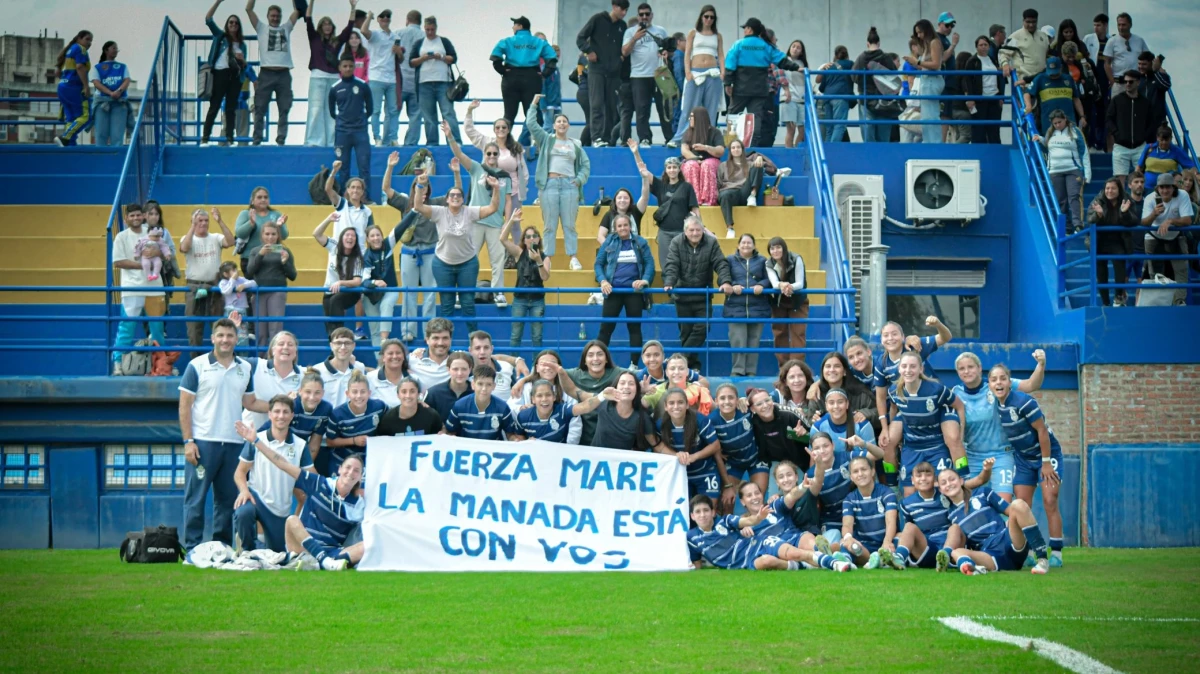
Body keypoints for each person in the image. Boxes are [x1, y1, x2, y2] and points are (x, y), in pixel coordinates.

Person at [233, 419, 365, 570]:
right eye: (348, 467)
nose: (351, 473)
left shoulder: (360, 504)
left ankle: (319, 563)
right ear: (340, 469)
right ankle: (323, 562)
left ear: (361, 476)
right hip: (302, 548)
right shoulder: (319, 483)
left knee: (366, 546)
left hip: (332, 552)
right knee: (292, 520)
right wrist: (256, 441)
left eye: (356, 470)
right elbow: (283, 463)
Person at [178, 318, 263, 550]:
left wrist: (281, 405)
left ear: (236, 339)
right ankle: (193, 549)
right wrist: (188, 441)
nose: (225, 340)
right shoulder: (197, 365)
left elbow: (250, 402)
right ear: (213, 338)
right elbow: (184, 406)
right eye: (221, 335)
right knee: (195, 499)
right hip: (203, 443)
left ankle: (221, 548)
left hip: (234, 444)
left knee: (226, 501)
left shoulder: (245, 368)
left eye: (230, 335)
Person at [411, 172, 501, 333]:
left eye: (458, 195)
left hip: (467, 264)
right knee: (447, 306)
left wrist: (495, 188)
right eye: (452, 195)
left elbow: (493, 208)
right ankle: (445, 341)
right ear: (447, 199)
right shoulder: (439, 211)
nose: (455, 197)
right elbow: (418, 206)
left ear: (463, 199)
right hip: (442, 264)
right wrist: (420, 185)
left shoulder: (469, 211)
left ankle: (474, 339)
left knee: (468, 305)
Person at [952, 350, 1045, 500]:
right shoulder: (955, 393)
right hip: (972, 457)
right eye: (961, 368)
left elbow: (1030, 385)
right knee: (969, 503)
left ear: (979, 368)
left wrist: (1041, 364)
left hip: (1001, 455)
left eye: (970, 367)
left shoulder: (995, 383)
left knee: (1003, 503)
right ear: (957, 372)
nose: (966, 371)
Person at [383, 154, 454, 342]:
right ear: (414, 188)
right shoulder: (405, 203)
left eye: (425, 186)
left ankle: (429, 332)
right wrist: (390, 167)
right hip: (409, 252)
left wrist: (456, 173)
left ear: (429, 190)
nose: (422, 189)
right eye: (418, 185)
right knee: (408, 293)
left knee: (430, 294)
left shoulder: (435, 204)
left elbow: (456, 194)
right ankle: (408, 330)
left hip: (430, 252)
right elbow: (386, 189)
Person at [444, 120, 514, 306]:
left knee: (497, 260)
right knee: (468, 259)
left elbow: (508, 201)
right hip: (475, 221)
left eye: (494, 154)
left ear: (498, 155)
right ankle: (463, 293)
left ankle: (498, 293)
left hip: (496, 223)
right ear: (484, 154)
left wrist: (507, 224)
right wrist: (450, 136)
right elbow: (458, 153)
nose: (491, 156)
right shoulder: (476, 168)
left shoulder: (505, 176)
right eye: (488, 153)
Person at [233, 394, 313, 552]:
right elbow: (239, 472)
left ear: (292, 415)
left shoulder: (300, 445)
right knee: (243, 512)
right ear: (269, 414)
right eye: (276, 411)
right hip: (257, 499)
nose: (281, 416)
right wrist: (244, 490)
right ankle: (247, 551)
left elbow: (312, 477)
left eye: (285, 412)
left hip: (281, 510)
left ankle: (264, 545)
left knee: (278, 554)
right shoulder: (256, 439)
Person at [938, 466, 1052, 575]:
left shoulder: (983, 492)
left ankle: (1042, 559)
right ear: (940, 490)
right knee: (956, 551)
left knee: (1018, 504)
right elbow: (965, 544)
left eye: (952, 479)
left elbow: (1012, 511)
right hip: (989, 555)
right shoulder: (951, 515)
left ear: (961, 481)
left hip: (1009, 541)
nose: (949, 484)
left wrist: (1012, 523)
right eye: (944, 483)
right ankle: (972, 569)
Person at [887, 351, 964, 496]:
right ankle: (892, 486)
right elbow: (893, 408)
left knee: (942, 489)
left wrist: (962, 433)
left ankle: (964, 477)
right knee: (909, 494)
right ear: (899, 369)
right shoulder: (894, 391)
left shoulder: (936, 390)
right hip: (912, 446)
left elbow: (959, 406)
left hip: (936, 444)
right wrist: (894, 433)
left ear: (921, 369)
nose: (908, 370)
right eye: (904, 366)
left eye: (913, 366)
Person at [527, 93, 590, 271]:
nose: (562, 123)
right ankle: (548, 258)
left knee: (569, 225)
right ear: (554, 125)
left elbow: (585, 165)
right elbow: (531, 124)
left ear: (568, 126)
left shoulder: (575, 144)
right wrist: (534, 103)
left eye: (564, 121)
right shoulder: (546, 139)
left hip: (570, 186)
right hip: (550, 185)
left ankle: (573, 258)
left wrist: (579, 180)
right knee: (549, 226)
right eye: (559, 121)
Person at [663, 216, 732, 371]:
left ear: (703, 230)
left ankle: (679, 359)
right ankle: (691, 367)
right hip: (682, 295)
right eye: (691, 230)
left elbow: (720, 263)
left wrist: (725, 281)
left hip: (703, 296)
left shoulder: (711, 242)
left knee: (703, 327)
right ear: (685, 231)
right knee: (686, 333)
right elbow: (672, 263)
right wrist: (669, 282)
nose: (695, 233)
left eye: (698, 230)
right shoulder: (676, 242)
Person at [723, 18, 801, 148]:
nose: (744, 30)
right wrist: (797, 67)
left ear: (749, 29)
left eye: (745, 28)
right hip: (759, 90)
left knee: (733, 115)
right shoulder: (766, 46)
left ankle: (729, 146)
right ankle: (753, 147)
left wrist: (727, 83)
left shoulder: (738, 44)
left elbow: (730, 65)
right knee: (756, 119)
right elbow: (782, 60)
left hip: (740, 89)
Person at [894, 459, 981, 570]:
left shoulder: (946, 494)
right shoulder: (906, 503)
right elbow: (906, 533)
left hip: (952, 545)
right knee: (909, 527)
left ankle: (944, 556)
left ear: (935, 479)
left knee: (955, 527)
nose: (923, 478)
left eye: (928, 475)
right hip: (927, 547)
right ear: (912, 480)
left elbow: (963, 490)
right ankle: (898, 558)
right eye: (919, 476)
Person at [465, 99, 531, 245]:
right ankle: (495, 251)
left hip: (512, 192)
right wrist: (470, 111)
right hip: (489, 192)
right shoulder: (487, 143)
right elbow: (469, 131)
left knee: (514, 224)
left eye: (504, 127)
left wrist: (522, 191)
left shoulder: (516, 148)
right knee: (490, 224)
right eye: (498, 127)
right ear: (494, 129)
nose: (501, 129)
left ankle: (517, 253)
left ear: (508, 129)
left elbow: (523, 172)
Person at [111, 204, 167, 375]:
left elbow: (164, 254)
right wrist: (143, 265)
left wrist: (156, 255)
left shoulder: (152, 232)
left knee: (157, 329)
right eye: (132, 216)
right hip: (131, 288)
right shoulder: (121, 237)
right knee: (126, 328)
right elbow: (118, 262)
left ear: (143, 216)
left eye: (138, 215)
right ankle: (118, 364)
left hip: (155, 288)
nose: (135, 218)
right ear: (126, 219)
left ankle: (162, 366)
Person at [594, 213, 654, 364]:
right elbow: (598, 264)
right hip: (613, 292)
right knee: (605, 329)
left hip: (634, 292)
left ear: (630, 226)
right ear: (615, 228)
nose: (622, 228)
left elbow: (650, 264)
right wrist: (603, 281)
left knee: (634, 329)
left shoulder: (640, 242)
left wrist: (644, 280)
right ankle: (597, 363)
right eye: (619, 226)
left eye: (625, 225)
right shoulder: (609, 241)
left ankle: (634, 364)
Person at [180, 208, 235, 357]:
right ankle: (195, 363)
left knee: (218, 327)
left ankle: (220, 361)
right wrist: (193, 226)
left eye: (206, 220)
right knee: (194, 329)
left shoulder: (215, 237)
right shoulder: (187, 237)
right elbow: (184, 247)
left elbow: (231, 242)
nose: (203, 223)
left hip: (214, 286)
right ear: (193, 221)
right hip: (193, 286)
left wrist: (219, 221)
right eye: (200, 220)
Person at [491, 16, 556, 139]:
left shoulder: (507, 41)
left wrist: (502, 70)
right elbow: (552, 59)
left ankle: (503, 143)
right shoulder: (539, 42)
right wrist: (544, 74)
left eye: (514, 25)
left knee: (509, 114)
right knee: (533, 113)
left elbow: (495, 57)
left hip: (511, 77)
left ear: (520, 26)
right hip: (532, 78)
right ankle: (539, 143)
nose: (513, 27)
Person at [668, 6, 724, 149]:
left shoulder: (717, 35)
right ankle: (679, 138)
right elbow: (687, 54)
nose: (709, 19)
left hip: (713, 73)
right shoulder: (693, 33)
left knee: (711, 109)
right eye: (706, 16)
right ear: (701, 17)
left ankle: (708, 139)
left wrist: (722, 72)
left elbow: (721, 54)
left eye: (712, 17)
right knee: (689, 108)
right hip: (695, 72)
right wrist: (688, 72)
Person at [245, 0, 298, 145]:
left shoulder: (286, 28)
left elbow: (296, 11)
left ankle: (281, 139)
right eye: (272, 16)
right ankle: (257, 139)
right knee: (260, 107)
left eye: (277, 16)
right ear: (268, 16)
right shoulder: (261, 28)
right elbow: (249, 9)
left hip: (284, 74)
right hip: (266, 73)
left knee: (284, 107)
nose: (275, 18)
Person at [576, 1, 629, 147]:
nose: (624, 13)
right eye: (622, 9)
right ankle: (596, 138)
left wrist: (621, 58)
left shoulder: (622, 26)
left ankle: (607, 138)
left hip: (614, 72)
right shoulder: (597, 19)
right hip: (597, 70)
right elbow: (580, 38)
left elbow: (624, 47)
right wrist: (589, 51)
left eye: (626, 10)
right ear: (614, 6)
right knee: (597, 104)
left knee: (611, 107)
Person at [837, 456, 901, 569]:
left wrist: (887, 541)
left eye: (864, 469)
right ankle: (846, 561)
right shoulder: (849, 499)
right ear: (851, 477)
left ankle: (879, 559)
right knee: (845, 541)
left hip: (886, 541)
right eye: (855, 471)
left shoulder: (887, 493)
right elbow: (847, 525)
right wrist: (848, 537)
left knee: (900, 537)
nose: (860, 474)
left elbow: (891, 521)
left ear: (872, 471)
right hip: (864, 546)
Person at [708, 383, 768, 499]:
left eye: (731, 397)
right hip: (733, 463)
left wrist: (746, 400)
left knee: (758, 497)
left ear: (737, 400)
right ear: (716, 401)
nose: (727, 401)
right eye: (722, 398)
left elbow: (764, 404)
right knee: (727, 501)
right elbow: (707, 444)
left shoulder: (745, 409)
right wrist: (716, 451)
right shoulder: (711, 421)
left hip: (756, 458)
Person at [638, 149, 698, 265]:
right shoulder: (661, 186)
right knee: (666, 263)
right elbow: (643, 171)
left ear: (679, 169)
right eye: (669, 167)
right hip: (664, 232)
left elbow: (695, 209)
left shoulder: (687, 187)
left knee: (683, 263)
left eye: (674, 167)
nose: (672, 170)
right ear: (665, 170)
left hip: (682, 231)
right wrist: (636, 152)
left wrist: (699, 227)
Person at [1035, 109, 1091, 234]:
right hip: (1055, 171)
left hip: (1073, 169)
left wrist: (1087, 173)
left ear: (1065, 119)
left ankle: (1078, 225)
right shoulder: (1050, 132)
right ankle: (1067, 228)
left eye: (1059, 122)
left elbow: (1084, 152)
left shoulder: (1075, 131)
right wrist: (1040, 139)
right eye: (1055, 123)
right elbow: (1048, 146)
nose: (1057, 125)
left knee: (1074, 196)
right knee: (1060, 200)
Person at [620, 4, 668, 146]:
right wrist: (635, 38)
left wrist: (666, 53)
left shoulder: (660, 31)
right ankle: (645, 138)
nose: (644, 17)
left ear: (652, 15)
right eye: (641, 14)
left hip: (659, 74)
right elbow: (624, 52)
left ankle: (669, 137)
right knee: (642, 109)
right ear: (638, 16)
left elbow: (668, 49)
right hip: (639, 76)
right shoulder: (630, 32)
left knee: (663, 108)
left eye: (647, 14)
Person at [1141, 173, 1194, 305]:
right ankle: (1158, 303)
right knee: (1155, 273)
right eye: (1162, 187)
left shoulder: (1182, 195)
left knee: (1182, 270)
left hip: (1175, 235)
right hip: (1154, 235)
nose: (1165, 190)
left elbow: (1188, 220)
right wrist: (1154, 214)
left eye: (1168, 187)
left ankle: (1179, 301)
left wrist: (1170, 221)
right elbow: (1144, 223)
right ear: (1157, 188)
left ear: (1173, 187)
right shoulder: (1150, 198)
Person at [558, 340, 623, 445]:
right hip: (583, 434)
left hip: (610, 433)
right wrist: (527, 378)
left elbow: (639, 375)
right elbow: (548, 374)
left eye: (600, 354)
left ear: (606, 359)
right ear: (585, 360)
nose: (595, 359)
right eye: (590, 355)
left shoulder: (617, 373)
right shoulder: (576, 374)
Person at [723, 234, 770, 376]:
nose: (746, 245)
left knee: (754, 341)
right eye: (743, 242)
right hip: (735, 307)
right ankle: (737, 371)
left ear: (754, 245)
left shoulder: (763, 261)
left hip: (758, 307)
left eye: (749, 243)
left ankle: (751, 371)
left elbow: (770, 278)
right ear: (738, 245)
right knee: (738, 340)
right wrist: (733, 285)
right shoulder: (730, 260)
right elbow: (724, 277)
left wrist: (762, 285)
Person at [409, 15, 461, 145]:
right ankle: (432, 142)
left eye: (432, 29)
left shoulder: (444, 41)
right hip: (424, 83)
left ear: (436, 28)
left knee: (448, 113)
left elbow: (453, 58)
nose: (430, 32)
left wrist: (441, 57)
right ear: (424, 28)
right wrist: (423, 58)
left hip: (444, 82)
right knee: (429, 116)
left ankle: (455, 142)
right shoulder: (419, 43)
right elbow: (411, 62)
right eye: (427, 30)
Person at [329, 57, 374, 203]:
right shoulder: (335, 88)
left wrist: (360, 121)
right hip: (342, 133)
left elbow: (370, 108)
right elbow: (332, 111)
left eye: (350, 66)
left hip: (360, 132)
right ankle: (345, 199)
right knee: (342, 167)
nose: (347, 68)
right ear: (340, 68)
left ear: (354, 67)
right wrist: (343, 122)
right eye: (345, 66)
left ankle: (365, 198)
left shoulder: (362, 85)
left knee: (364, 166)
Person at [499, 216, 549, 349]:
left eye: (534, 236)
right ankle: (513, 361)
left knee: (537, 336)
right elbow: (503, 239)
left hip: (537, 300)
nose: (531, 239)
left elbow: (545, 277)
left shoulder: (545, 257)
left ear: (539, 239)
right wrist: (511, 221)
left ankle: (537, 362)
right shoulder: (519, 252)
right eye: (528, 236)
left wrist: (538, 261)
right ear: (524, 240)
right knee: (516, 335)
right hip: (520, 299)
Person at [202, 1, 247, 146]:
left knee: (230, 108)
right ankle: (205, 137)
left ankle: (230, 138)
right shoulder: (220, 36)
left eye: (236, 23)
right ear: (227, 25)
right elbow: (208, 19)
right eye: (231, 22)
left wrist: (242, 60)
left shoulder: (242, 45)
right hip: (220, 74)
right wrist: (218, 2)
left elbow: (244, 66)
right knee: (214, 106)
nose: (233, 25)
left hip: (235, 77)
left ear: (239, 26)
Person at [1087, 178, 1138, 306]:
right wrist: (1098, 215)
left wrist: (1124, 213)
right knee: (1101, 273)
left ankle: (1118, 297)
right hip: (1100, 241)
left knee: (1120, 267)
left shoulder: (1127, 200)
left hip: (1119, 241)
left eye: (1113, 188)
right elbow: (1090, 220)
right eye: (1107, 188)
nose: (1109, 191)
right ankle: (1105, 302)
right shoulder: (1098, 200)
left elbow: (1134, 221)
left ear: (1119, 189)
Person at [313, 213, 365, 337]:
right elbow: (316, 234)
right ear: (342, 238)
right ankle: (334, 343)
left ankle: (339, 336)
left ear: (356, 240)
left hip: (350, 292)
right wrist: (328, 219)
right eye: (347, 235)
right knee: (329, 321)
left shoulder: (357, 258)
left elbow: (357, 281)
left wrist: (341, 283)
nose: (350, 238)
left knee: (335, 301)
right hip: (329, 291)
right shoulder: (334, 247)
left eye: (353, 236)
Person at [326, 370, 387, 475]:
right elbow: (330, 442)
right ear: (347, 394)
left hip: (369, 461)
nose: (359, 396)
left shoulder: (379, 407)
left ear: (369, 393)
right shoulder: (337, 414)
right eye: (354, 392)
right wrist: (354, 440)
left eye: (363, 392)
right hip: (342, 460)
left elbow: (393, 419)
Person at [246, 221, 296, 346]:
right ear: (262, 235)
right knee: (260, 331)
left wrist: (285, 262)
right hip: (259, 292)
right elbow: (249, 272)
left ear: (278, 235)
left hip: (277, 292)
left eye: (273, 234)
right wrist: (260, 255)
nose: (270, 237)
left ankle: (275, 356)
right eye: (267, 234)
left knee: (275, 329)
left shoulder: (285, 251)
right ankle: (261, 357)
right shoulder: (255, 251)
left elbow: (293, 276)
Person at [242, 331, 303, 432]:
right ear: (273, 350)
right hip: (250, 434)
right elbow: (228, 360)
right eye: (281, 344)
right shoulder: (255, 365)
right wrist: (284, 404)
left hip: (284, 438)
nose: (285, 347)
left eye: (290, 344)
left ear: (296, 350)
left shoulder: (304, 374)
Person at [444, 364, 524, 441]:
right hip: (467, 449)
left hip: (493, 448)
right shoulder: (460, 406)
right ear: (473, 385)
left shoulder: (502, 407)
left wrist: (515, 440)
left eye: (488, 384)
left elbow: (510, 434)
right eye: (480, 384)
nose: (484, 389)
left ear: (494, 386)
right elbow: (451, 432)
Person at [358, 9, 402, 147]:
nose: (385, 18)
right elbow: (363, 30)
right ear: (378, 19)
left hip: (391, 78)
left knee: (393, 111)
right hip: (376, 77)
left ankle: (393, 138)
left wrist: (399, 52)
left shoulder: (395, 37)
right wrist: (369, 16)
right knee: (375, 110)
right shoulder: (375, 34)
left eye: (388, 16)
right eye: (382, 16)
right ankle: (377, 138)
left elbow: (400, 60)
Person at [517, 379, 610, 444]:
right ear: (533, 399)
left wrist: (602, 396)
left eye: (548, 395)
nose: (544, 399)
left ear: (554, 397)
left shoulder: (562, 410)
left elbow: (585, 407)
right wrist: (525, 442)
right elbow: (517, 437)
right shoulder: (523, 416)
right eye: (539, 396)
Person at [764, 237, 808, 366]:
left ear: (784, 248)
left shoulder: (796, 258)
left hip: (798, 301)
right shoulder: (768, 263)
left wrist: (788, 287)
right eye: (772, 248)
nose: (775, 251)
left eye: (778, 247)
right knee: (779, 333)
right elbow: (774, 283)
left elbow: (800, 283)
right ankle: (784, 369)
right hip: (779, 302)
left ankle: (797, 368)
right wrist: (782, 286)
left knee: (798, 333)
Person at [302, 1, 342, 147]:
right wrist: (312, 1)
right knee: (315, 109)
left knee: (332, 111)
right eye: (324, 24)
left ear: (332, 27)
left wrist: (353, 8)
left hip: (333, 78)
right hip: (317, 76)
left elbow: (348, 29)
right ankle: (313, 141)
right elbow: (308, 19)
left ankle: (331, 141)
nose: (327, 26)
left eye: (329, 24)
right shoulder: (314, 38)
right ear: (320, 27)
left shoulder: (336, 42)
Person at [1107, 71, 1155, 186]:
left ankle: (1140, 198)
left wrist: (1144, 136)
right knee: (1120, 180)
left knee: (1141, 178)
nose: (1127, 84)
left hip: (1140, 146)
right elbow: (1109, 119)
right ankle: (1122, 199)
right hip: (1121, 146)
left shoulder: (1145, 102)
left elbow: (1151, 122)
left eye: (1131, 82)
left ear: (1138, 82)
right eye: (1125, 82)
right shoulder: (1117, 100)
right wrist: (1116, 134)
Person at [746, 387, 811, 470]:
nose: (765, 405)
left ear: (772, 400)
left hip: (799, 464)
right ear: (752, 409)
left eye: (767, 400)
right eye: (759, 404)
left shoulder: (789, 414)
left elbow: (813, 437)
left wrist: (805, 434)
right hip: (773, 465)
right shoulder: (751, 422)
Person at [852, 29, 898, 144]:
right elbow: (894, 77)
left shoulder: (861, 58)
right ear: (879, 43)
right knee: (883, 138)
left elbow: (853, 76)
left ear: (867, 43)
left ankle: (869, 155)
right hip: (884, 101)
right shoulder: (886, 58)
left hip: (866, 99)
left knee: (868, 137)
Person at [902, 20, 944, 144]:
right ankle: (929, 141)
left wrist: (917, 62)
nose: (919, 35)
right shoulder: (928, 44)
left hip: (932, 81)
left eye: (920, 32)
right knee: (926, 116)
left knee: (931, 115)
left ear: (926, 30)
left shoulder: (934, 42)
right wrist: (914, 63)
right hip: (927, 80)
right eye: (917, 33)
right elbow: (926, 66)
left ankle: (934, 142)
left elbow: (936, 64)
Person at [234, 187, 289, 278]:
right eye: (259, 197)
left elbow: (284, 236)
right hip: (250, 258)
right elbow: (239, 233)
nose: (263, 200)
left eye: (265, 197)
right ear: (252, 200)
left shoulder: (276, 214)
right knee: (253, 285)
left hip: (273, 258)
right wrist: (251, 223)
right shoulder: (245, 214)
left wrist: (279, 227)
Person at [1025, 57, 1086, 136]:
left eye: (1056, 73)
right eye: (1051, 73)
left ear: (1061, 68)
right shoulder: (1040, 78)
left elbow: (1076, 99)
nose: (1053, 75)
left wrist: (1082, 116)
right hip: (1048, 124)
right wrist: (1028, 106)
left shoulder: (1068, 79)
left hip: (1069, 123)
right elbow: (1027, 93)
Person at [811, 390, 880, 460]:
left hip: (858, 465)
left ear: (847, 404)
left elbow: (872, 458)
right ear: (826, 406)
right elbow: (814, 458)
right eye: (831, 403)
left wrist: (863, 444)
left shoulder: (862, 424)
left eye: (840, 402)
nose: (836, 406)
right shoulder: (818, 427)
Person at [362, 224, 401, 345]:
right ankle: (378, 358)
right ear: (367, 239)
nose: (376, 238)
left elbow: (401, 228)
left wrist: (414, 213)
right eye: (372, 236)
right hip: (371, 295)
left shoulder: (388, 245)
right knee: (375, 330)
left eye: (378, 235)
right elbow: (364, 282)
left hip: (390, 289)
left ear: (382, 236)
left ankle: (384, 340)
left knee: (386, 305)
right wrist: (375, 282)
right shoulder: (366, 256)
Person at [53, 30, 93, 147]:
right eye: (87, 39)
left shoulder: (68, 50)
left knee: (71, 118)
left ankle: (70, 144)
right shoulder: (81, 49)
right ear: (79, 38)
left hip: (63, 87)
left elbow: (57, 72)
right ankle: (65, 137)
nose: (89, 43)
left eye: (91, 41)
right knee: (86, 116)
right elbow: (80, 67)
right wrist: (86, 86)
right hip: (74, 87)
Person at [679, 108, 725, 206]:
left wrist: (706, 147)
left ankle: (708, 200)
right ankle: (693, 200)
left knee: (707, 164)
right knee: (691, 165)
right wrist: (696, 159)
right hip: (693, 160)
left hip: (711, 161)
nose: (689, 119)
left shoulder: (715, 132)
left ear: (699, 118)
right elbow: (684, 150)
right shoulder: (688, 132)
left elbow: (720, 151)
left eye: (692, 116)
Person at [717, 143, 764, 238]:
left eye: (738, 147)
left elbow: (758, 170)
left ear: (742, 149)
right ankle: (730, 228)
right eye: (733, 148)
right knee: (724, 194)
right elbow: (719, 183)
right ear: (730, 150)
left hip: (745, 192)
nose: (736, 149)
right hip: (730, 193)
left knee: (758, 166)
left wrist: (759, 157)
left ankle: (753, 195)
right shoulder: (723, 165)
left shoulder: (750, 164)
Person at [596, 159, 650, 243]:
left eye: (625, 198)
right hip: (614, 249)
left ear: (630, 200)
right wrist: (609, 248)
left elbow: (645, 197)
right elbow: (600, 236)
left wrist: (645, 178)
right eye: (619, 198)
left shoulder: (636, 211)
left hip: (633, 249)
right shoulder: (609, 214)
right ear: (615, 201)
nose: (622, 200)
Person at [90, 41, 131, 146]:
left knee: (117, 134)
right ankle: (100, 154)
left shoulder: (122, 67)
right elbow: (96, 83)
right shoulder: (97, 67)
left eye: (117, 48)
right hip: (102, 103)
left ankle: (116, 153)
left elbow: (127, 80)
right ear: (106, 50)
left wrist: (119, 91)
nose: (116, 50)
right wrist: (110, 93)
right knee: (101, 133)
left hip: (119, 103)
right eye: (113, 48)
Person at [964, 35, 1003, 145]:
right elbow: (967, 80)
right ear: (976, 47)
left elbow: (999, 78)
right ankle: (979, 150)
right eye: (981, 45)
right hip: (980, 98)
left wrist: (1001, 96)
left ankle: (996, 150)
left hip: (994, 97)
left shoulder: (992, 59)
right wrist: (971, 98)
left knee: (994, 128)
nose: (983, 47)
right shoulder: (972, 61)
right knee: (979, 129)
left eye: (985, 45)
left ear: (989, 46)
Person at [289, 368, 335, 459]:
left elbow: (314, 445)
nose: (312, 397)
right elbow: (279, 435)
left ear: (323, 393)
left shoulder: (326, 409)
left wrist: (307, 465)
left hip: (300, 449)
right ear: (300, 391)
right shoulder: (292, 405)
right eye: (308, 392)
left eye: (317, 393)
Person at [374, 376, 443, 437]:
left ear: (418, 394)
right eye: (404, 392)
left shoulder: (431, 415)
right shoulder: (388, 419)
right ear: (398, 395)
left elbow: (440, 435)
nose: (408, 396)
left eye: (412, 391)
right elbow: (382, 442)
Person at [1102, 13, 1149, 100]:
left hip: (1136, 83)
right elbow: (1107, 63)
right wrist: (1112, 82)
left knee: (1137, 107)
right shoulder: (1112, 41)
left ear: (1130, 25)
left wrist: (1159, 69)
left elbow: (1148, 58)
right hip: (1119, 83)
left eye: (1123, 25)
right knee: (1118, 107)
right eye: (1119, 25)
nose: (1121, 27)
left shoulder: (1139, 40)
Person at [1000, 8, 1051, 86]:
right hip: (1023, 82)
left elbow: (1047, 56)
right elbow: (1003, 53)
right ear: (1023, 20)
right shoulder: (1015, 36)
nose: (1031, 25)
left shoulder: (1044, 36)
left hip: (1042, 82)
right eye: (1028, 22)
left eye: (1034, 22)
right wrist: (1005, 65)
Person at [1138, 126, 1197, 192]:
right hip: (1148, 188)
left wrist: (1187, 180)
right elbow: (1139, 167)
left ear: (1171, 138)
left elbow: (1192, 167)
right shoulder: (1149, 148)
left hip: (1168, 190)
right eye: (1161, 140)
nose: (1164, 142)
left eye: (1166, 140)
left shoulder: (1176, 151)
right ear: (1157, 138)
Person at [814, 46, 853, 143]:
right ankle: (834, 148)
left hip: (827, 98)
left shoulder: (829, 67)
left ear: (835, 55)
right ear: (847, 55)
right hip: (841, 97)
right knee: (839, 125)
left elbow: (821, 87)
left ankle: (828, 150)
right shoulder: (850, 64)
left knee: (829, 128)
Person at [421, 351, 472, 422]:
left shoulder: (477, 393)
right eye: (455, 369)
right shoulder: (433, 393)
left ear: (470, 369)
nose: (460, 373)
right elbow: (425, 420)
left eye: (464, 369)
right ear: (448, 369)